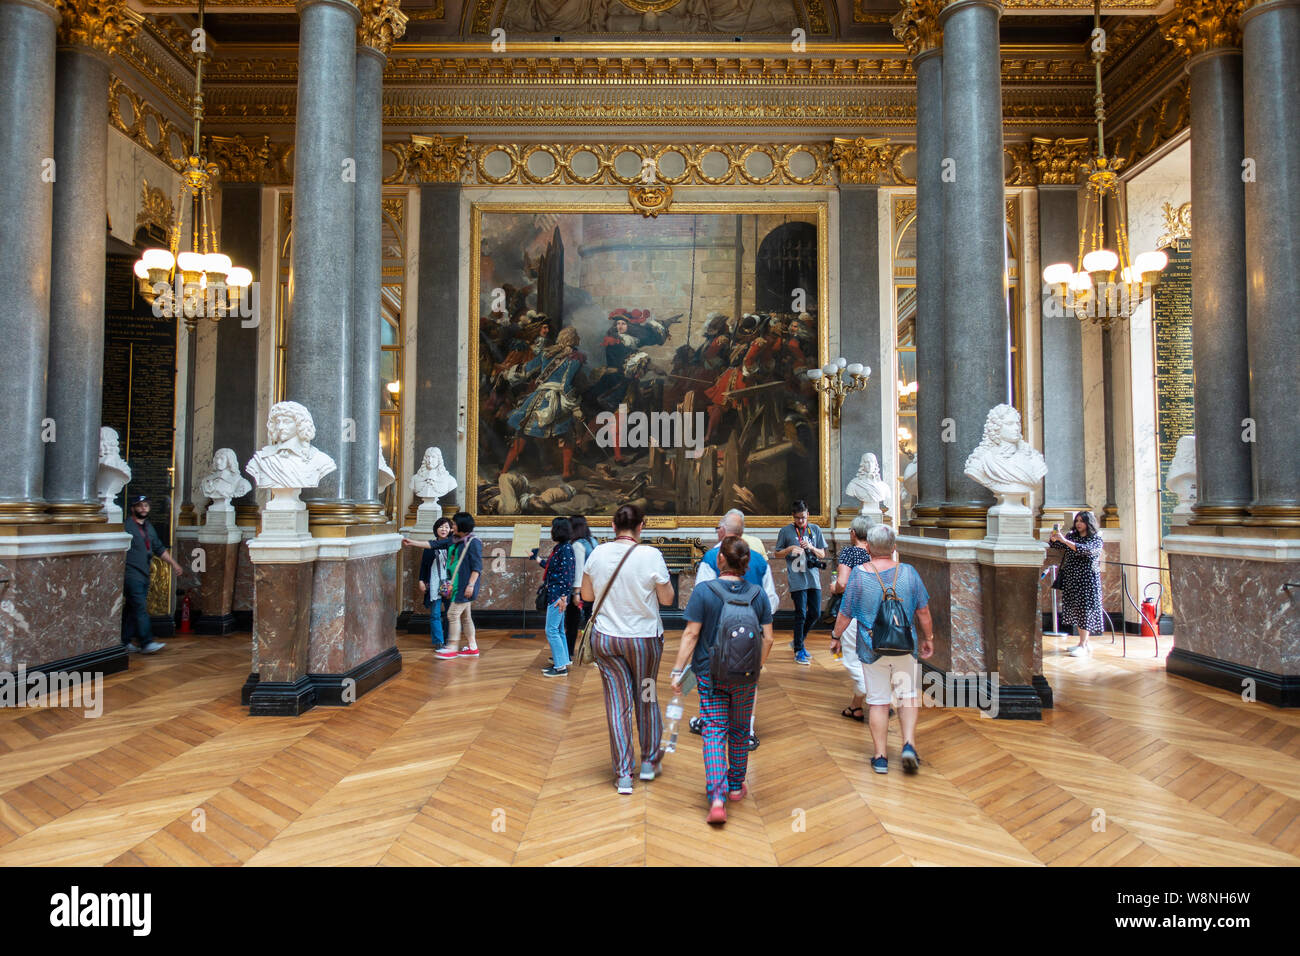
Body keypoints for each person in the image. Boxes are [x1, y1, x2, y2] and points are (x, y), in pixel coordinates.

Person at [670, 536, 775, 825]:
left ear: (720, 560)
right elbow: (769, 638)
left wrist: (678, 671)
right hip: (745, 678)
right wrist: (755, 668)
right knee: (740, 730)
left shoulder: (705, 591)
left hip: (709, 673)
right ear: (745, 563)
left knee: (714, 731)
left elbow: (691, 634)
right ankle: (735, 786)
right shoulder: (757, 595)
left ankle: (717, 797)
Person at [580, 503, 674, 796]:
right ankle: (648, 763)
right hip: (644, 641)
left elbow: (586, 595)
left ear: (612, 526)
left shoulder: (597, 553)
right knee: (646, 697)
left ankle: (623, 775)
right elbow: (668, 599)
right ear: (642, 526)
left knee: (617, 705)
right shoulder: (650, 555)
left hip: (607, 640)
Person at [832, 524, 934, 775]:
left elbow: (845, 612)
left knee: (878, 702)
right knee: (908, 695)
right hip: (904, 645)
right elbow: (923, 611)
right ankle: (908, 744)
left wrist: (836, 636)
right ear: (894, 548)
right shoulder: (909, 572)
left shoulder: (859, 574)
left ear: (868, 547)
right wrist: (928, 637)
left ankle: (880, 757)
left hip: (871, 646)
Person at [688, 512, 777, 747]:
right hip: (752, 631)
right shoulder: (757, 559)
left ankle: (713, 723)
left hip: (714, 634)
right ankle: (746, 729)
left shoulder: (711, 557)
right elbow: (771, 599)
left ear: (722, 531)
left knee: (712, 679)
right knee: (748, 678)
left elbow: (701, 595)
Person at [404, 511, 482, 659]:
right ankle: (472, 647)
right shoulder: (454, 540)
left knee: (452, 614)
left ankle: (451, 647)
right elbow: (433, 544)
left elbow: (477, 567)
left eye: (453, 524)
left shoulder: (474, 542)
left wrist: (471, 585)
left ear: (462, 525)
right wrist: (412, 542)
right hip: (457, 585)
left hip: (464, 586)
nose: (451, 527)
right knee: (466, 617)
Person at [121, 494, 183, 654]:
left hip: (143, 573)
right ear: (133, 508)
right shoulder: (126, 527)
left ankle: (125, 641)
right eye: (140, 505)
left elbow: (158, 548)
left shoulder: (148, 527)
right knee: (140, 607)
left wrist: (174, 564)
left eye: (146, 506)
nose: (143, 508)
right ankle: (146, 642)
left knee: (131, 608)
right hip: (131, 573)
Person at [829, 516, 872, 721]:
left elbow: (843, 583)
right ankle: (856, 707)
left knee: (853, 661)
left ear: (853, 533)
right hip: (875, 614)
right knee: (868, 660)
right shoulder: (877, 552)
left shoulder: (850, 552)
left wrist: (833, 587)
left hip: (853, 613)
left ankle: (878, 697)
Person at [774, 499, 828, 665]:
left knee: (815, 613)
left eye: (803, 518)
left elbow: (823, 554)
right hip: (797, 578)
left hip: (813, 578)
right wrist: (790, 549)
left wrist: (811, 548)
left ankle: (799, 640)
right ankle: (798, 649)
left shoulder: (815, 530)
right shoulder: (786, 531)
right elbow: (777, 554)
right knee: (801, 614)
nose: (801, 521)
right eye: (798, 518)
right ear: (793, 516)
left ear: (808, 515)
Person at [1049, 510, 1105, 656]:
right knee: (1078, 610)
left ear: (1089, 522)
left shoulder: (1095, 538)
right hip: (1072, 578)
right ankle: (1082, 643)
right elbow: (1058, 547)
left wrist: (1065, 541)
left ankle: (1084, 645)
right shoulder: (1072, 536)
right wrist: (1055, 539)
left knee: (1085, 610)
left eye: (1082, 521)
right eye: (1077, 521)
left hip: (1087, 579)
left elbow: (1087, 551)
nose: (1079, 524)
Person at [534, 517, 576, 676]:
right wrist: (536, 558)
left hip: (558, 597)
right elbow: (552, 569)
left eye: (553, 528)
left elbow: (568, 576)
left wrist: (564, 597)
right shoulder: (561, 548)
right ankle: (563, 661)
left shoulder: (565, 549)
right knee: (558, 630)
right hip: (557, 594)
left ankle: (560, 668)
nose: (551, 531)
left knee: (551, 630)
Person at [415, 516, 454, 649]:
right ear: (436, 529)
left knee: (450, 613)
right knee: (435, 614)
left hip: (449, 582)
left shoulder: (453, 544)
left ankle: (449, 639)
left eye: (446, 527)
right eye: (441, 527)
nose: (444, 529)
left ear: (451, 530)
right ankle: (438, 641)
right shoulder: (429, 546)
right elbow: (424, 565)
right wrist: (421, 580)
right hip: (434, 581)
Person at [564, 514, 598, 655]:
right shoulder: (593, 541)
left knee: (572, 624)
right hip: (594, 589)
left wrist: (576, 592)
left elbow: (578, 571)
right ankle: (593, 653)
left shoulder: (577, 545)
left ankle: (569, 653)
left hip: (581, 591)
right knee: (592, 623)